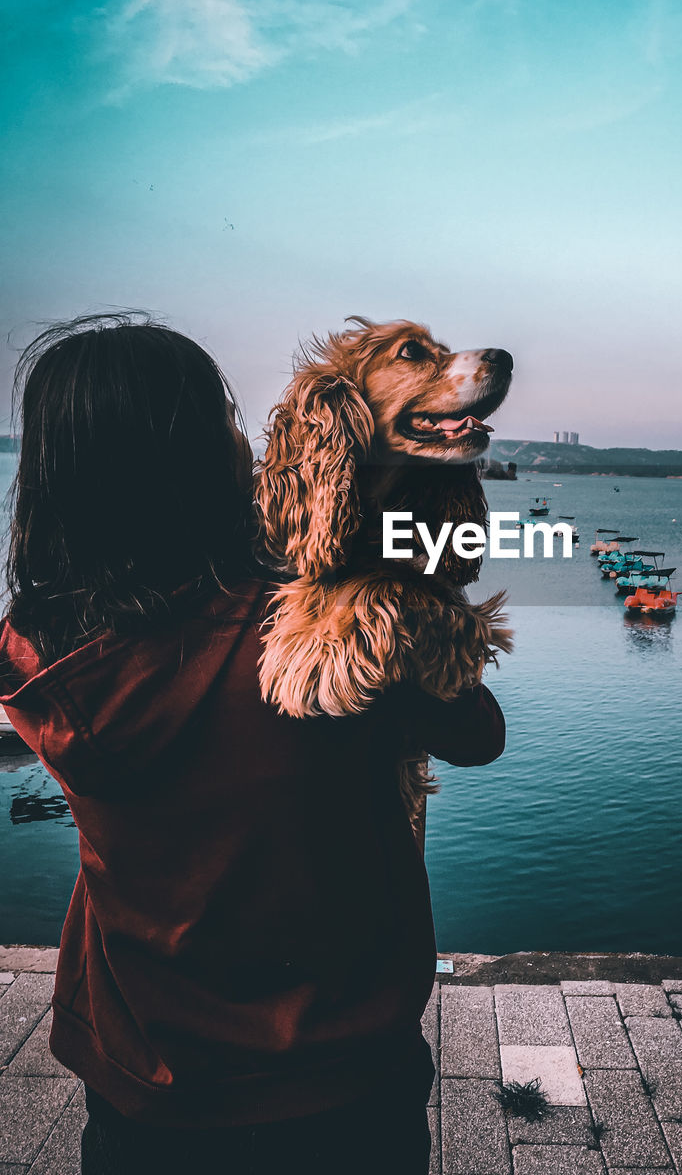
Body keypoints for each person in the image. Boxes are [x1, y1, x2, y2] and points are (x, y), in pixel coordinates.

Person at [0, 314, 506, 1174]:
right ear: (195, 457)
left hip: (141, 1078)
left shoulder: (35, 651)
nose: (251, 437)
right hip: (340, 1077)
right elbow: (477, 732)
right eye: (229, 419)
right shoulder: (318, 633)